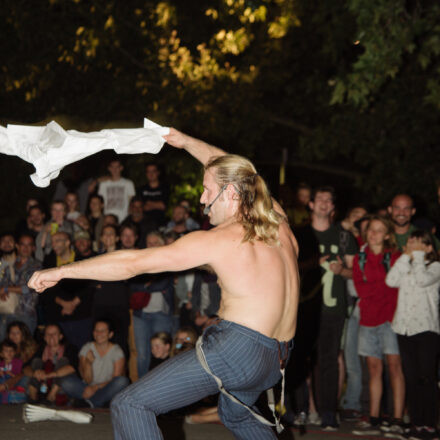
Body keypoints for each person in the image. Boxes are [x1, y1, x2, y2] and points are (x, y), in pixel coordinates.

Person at [28, 126, 299, 440]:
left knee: (131, 405)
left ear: (232, 193)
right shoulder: (278, 220)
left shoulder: (219, 239)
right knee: (235, 413)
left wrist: (62, 271)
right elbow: (231, 165)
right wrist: (183, 142)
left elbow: (132, 263)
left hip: (238, 349)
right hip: (276, 357)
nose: (202, 198)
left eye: (208, 190)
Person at [308, 186, 358, 430]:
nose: (324, 203)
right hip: (304, 308)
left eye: (329, 200)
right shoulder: (299, 235)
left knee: (328, 360)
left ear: (333, 207)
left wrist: (342, 271)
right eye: (320, 199)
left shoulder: (344, 236)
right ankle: (299, 410)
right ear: (311, 204)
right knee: (300, 359)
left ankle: (328, 411)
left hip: (333, 309)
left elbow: (356, 273)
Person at [351, 216, 404, 437]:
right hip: (368, 319)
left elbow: (396, 287)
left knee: (394, 368)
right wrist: (380, 287)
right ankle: (373, 417)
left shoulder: (396, 257)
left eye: (380, 230)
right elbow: (360, 290)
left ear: (388, 235)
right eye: (371, 230)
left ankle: (398, 419)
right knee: (373, 369)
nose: (374, 234)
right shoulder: (359, 259)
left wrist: (376, 287)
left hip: (391, 319)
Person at [386, 230, 440, 440]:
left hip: (426, 330)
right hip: (404, 329)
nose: (413, 245)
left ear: (428, 247)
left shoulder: (435, 267)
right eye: (411, 242)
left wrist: (416, 256)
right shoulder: (407, 263)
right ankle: (416, 422)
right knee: (411, 378)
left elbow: (422, 280)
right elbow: (391, 280)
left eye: (419, 243)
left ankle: (430, 424)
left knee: (426, 377)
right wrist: (405, 258)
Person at [60, 319, 129, 408]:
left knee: (122, 381)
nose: (99, 333)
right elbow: (87, 380)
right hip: (86, 387)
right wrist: (88, 363)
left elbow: (116, 378)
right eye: (97, 330)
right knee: (66, 382)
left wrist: (95, 388)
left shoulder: (117, 351)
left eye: (103, 331)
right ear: (93, 333)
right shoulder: (86, 348)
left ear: (110, 334)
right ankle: (97, 401)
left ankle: (90, 402)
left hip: (106, 387)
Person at [0, 234, 41, 340]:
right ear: (17, 246)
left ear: (33, 248)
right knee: (6, 348)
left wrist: (6, 289)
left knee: (25, 348)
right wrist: (3, 290)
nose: (25, 248)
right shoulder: (10, 266)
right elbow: (3, 284)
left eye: (29, 245)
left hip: (25, 314)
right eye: (23, 245)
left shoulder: (36, 265)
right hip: (7, 312)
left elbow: (29, 287)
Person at [28, 324, 78, 405]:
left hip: (61, 383)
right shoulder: (41, 349)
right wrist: (35, 373)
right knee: (36, 361)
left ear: (60, 336)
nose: (51, 336)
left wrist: (52, 374)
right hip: (44, 383)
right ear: (44, 338)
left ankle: (51, 397)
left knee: (63, 361)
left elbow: (73, 367)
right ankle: (32, 397)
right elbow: (26, 367)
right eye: (48, 334)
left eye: (54, 334)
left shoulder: (70, 348)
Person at [98, 158, 135, 223]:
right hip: (107, 218)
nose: (114, 169)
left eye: (117, 167)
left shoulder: (128, 183)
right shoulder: (103, 184)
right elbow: (100, 201)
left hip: (124, 218)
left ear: (121, 168)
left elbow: (131, 200)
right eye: (112, 167)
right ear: (109, 168)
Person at [137, 162, 169, 228]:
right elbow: (142, 207)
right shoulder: (141, 189)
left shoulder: (165, 188)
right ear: (146, 174)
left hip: (161, 222)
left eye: (153, 171)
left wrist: (149, 203)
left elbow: (163, 206)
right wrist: (157, 204)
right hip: (144, 223)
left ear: (158, 173)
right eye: (148, 172)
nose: (151, 174)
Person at [0, 339, 26, 404]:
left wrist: (10, 374)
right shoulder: (1, 364)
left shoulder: (17, 362)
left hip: (12, 383)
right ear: (1, 354)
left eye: (11, 351)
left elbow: (18, 376)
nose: (9, 353)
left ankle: (7, 397)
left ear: (15, 352)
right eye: (6, 351)